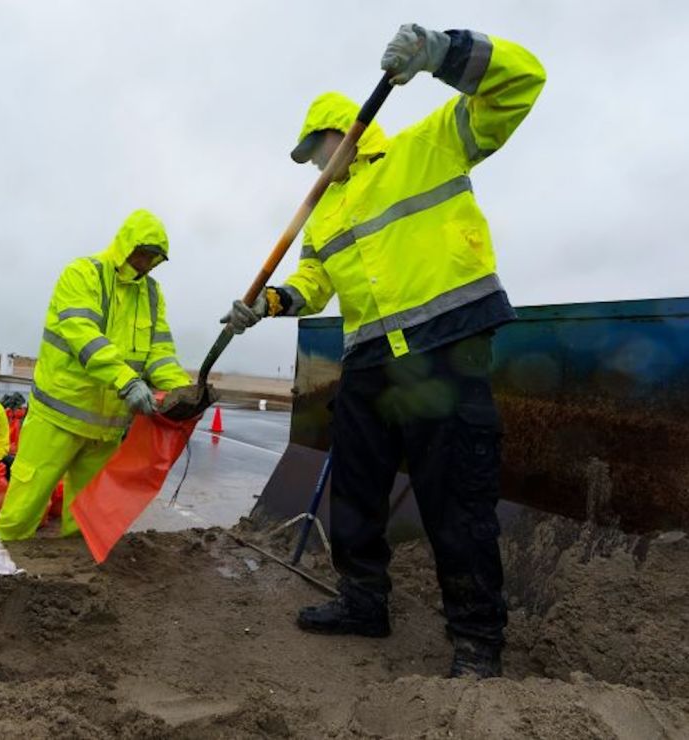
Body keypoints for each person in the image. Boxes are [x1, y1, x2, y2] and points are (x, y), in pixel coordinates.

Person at [224, 24, 545, 678]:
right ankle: (363, 602)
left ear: (345, 131)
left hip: (444, 346)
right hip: (368, 359)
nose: (315, 164)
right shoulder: (324, 213)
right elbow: (315, 281)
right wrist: (273, 302)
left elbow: (522, 83)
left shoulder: (426, 146)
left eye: (317, 150)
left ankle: (478, 640)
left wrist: (444, 53)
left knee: (456, 496)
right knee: (358, 492)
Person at [0, 209, 192, 541]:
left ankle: (77, 578)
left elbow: (160, 353)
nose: (145, 262)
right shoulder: (83, 274)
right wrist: (127, 380)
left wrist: (183, 390)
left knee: (86, 520)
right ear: (126, 245)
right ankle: (0, 566)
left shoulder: (152, 295)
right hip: (58, 415)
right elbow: (83, 336)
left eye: (152, 258)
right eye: (142, 253)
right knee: (21, 511)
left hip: (106, 425)